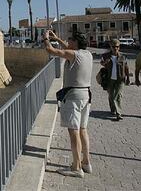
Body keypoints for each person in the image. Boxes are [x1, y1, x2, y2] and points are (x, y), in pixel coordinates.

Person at [43, 30, 92, 178]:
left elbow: (50, 50)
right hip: (86, 95)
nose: (68, 41)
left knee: (74, 132)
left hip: (73, 97)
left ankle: (76, 167)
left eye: (70, 39)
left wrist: (45, 39)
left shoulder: (74, 55)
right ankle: (86, 162)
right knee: (83, 130)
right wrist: (57, 38)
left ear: (76, 42)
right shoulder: (87, 54)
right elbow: (67, 48)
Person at [100, 39, 130, 121]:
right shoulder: (105, 56)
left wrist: (128, 78)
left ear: (119, 47)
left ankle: (118, 113)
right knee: (111, 95)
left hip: (120, 79)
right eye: (113, 47)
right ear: (110, 47)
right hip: (109, 79)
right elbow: (101, 63)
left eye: (117, 47)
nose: (115, 48)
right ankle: (113, 109)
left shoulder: (123, 56)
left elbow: (126, 67)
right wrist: (105, 62)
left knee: (118, 96)